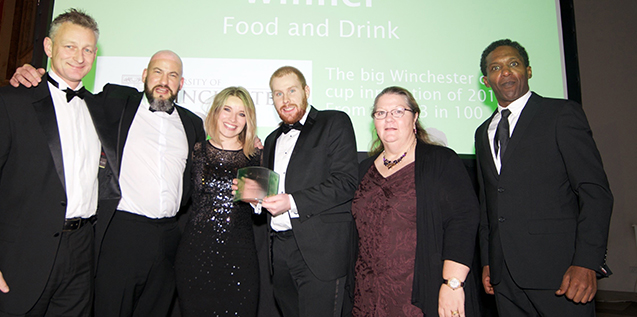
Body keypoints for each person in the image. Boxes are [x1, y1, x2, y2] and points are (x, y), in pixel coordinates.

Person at [9, 50, 206, 316]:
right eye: (157, 72)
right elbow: (67, 95)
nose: (164, 80)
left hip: (170, 237)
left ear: (181, 84)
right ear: (145, 75)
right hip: (122, 233)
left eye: (173, 75)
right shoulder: (116, 101)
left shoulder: (192, 123)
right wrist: (34, 77)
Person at [0, 9, 118, 316]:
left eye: (87, 50)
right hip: (19, 257)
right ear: (48, 47)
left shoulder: (100, 108)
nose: (79, 57)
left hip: (82, 254)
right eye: (70, 46)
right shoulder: (9, 102)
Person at [475, 39, 613, 316]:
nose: (505, 72)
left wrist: (587, 262)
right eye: (496, 68)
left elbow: (595, 192)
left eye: (513, 64)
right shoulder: (482, 132)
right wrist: (489, 261)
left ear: (528, 71)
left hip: (561, 274)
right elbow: (488, 205)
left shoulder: (560, 114)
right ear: (486, 81)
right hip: (505, 279)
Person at [352, 86, 480, 317]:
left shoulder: (440, 160)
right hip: (367, 296)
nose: (388, 118)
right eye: (380, 113)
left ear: (415, 117)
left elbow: (462, 221)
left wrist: (453, 283)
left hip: (420, 294)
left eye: (398, 111)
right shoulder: (363, 170)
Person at [258, 66, 359, 317]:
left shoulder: (334, 121)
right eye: (278, 94)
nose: (286, 99)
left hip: (320, 252)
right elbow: (272, 191)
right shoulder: (271, 139)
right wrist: (254, 197)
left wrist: (292, 202)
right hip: (279, 254)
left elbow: (346, 182)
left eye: (292, 90)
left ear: (306, 91)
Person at [175, 86, 262, 316]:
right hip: (195, 255)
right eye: (227, 110)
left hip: (240, 257)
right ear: (215, 112)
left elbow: (262, 209)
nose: (233, 119)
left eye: (241, 113)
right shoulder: (195, 151)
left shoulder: (257, 156)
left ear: (248, 120)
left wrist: (256, 200)